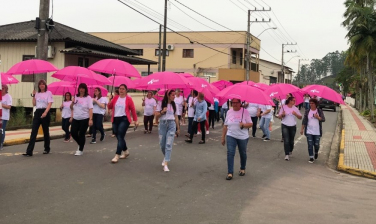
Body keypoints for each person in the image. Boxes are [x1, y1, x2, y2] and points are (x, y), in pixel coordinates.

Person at [221, 98, 253, 180]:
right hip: (231, 135)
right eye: (233, 102)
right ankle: (230, 172)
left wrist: (244, 125)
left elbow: (250, 124)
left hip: (242, 136)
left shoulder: (245, 112)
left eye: (236, 102)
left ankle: (242, 168)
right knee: (230, 153)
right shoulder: (229, 112)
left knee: (242, 153)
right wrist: (223, 137)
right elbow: (225, 125)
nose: (234, 104)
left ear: (240, 103)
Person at [107, 84, 138, 163]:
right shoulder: (116, 98)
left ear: (126, 90)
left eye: (123, 89)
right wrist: (110, 99)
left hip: (124, 119)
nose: (121, 90)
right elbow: (110, 107)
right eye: (120, 89)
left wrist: (135, 120)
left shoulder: (128, 99)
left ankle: (117, 155)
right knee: (118, 136)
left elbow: (133, 109)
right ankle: (126, 151)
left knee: (120, 135)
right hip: (115, 119)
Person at [23, 80, 53, 156]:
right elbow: (34, 104)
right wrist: (33, 96)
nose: (42, 85)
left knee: (45, 131)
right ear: (38, 86)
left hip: (45, 111)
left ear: (45, 85)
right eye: (40, 84)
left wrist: (45, 112)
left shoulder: (48, 93)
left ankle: (47, 148)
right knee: (33, 131)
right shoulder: (37, 94)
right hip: (38, 112)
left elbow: (50, 103)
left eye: (43, 84)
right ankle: (29, 151)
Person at [157, 89, 180, 172]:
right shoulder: (160, 103)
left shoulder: (175, 105)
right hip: (162, 124)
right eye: (173, 95)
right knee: (162, 144)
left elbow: (176, 117)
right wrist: (162, 112)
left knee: (168, 144)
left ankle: (166, 163)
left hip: (171, 125)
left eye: (175, 95)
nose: (174, 96)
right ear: (168, 95)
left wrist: (178, 128)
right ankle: (166, 157)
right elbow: (156, 115)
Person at [70, 83, 93, 156]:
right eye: (80, 88)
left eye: (83, 88)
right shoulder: (75, 97)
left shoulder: (88, 98)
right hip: (76, 118)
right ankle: (80, 144)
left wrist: (90, 119)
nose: (81, 90)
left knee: (81, 134)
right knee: (73, 132)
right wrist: (72, 103)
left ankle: (80, 149)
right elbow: (71, 107)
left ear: (85, 89)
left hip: (84, 118)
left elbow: (90, 109)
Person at [300, 98, 325, 163]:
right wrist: (302, 129)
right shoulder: (307, 111)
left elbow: (323, 119)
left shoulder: (319, 111)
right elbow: (304, 120)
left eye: (312, 103)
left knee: (316, 144)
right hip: (309, 131)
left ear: (316, 104)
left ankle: (316, 152)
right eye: (310, 103)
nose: (311, 104)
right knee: (310, 144)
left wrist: (318, 117)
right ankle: (311, 157)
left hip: (317, 131)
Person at [278, 96, 302, 161]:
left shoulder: (295, 108)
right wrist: (282, 115)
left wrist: (296, 114)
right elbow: (279, 117)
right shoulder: (283, 107)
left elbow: (300, 117)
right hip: (285, 125)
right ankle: (286, 154)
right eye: (293, 100)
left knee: (291, 141)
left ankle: (290, 150)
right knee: (286, 140)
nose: (295, 102)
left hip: (293, 126)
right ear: (290, 101)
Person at [1, 85, 12, 150]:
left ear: (6, 89)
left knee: (2, 130)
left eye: (3, 88)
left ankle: (1, 143)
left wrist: (1, 104)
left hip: (4, 116)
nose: (2, 90)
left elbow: (9, 106)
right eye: (1, 88)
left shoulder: (8, 97)